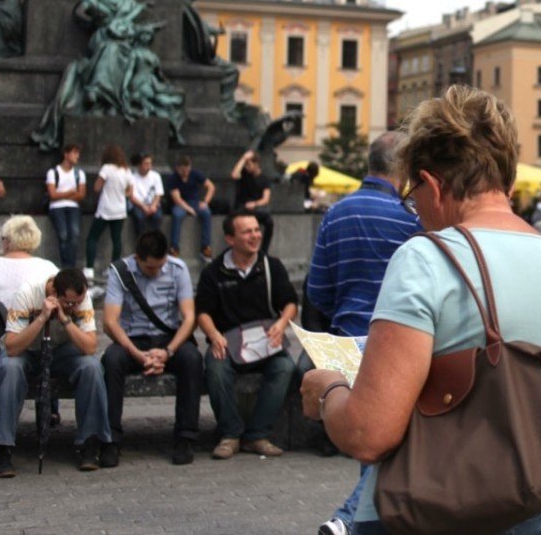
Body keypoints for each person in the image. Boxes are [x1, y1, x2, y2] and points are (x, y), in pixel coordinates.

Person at [301, 86, 541, 535]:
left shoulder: (425, 259)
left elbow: (369, 433)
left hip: (430, 513)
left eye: (412, 196)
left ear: (432, 184)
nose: (416, 211)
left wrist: (328, 392)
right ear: (507, 180)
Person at [305, 132, 420, 535]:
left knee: (376, 445)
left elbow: (316, 289)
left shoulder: (335, 213)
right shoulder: (411, 219)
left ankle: (360, 520)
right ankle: (349, 521)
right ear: (403, 170)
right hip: (394, 344)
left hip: (343, 341)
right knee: (382, 444)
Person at [0, 267, 110, 477]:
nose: (73, 306)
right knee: (9, 369)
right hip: (26, 351)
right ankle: (1, 446)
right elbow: (12, 347)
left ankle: (90, 442)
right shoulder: (26, 293)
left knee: (92, 367)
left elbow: (89, 347)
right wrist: (42, 318)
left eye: (77, 303)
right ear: (54, 294)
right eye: (68, 303)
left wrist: (65, 318)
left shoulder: (80, 298)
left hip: (61, 351)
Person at [195, 211, 298, 460]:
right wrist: (214, 335)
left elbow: (290, 303)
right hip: (228, 343)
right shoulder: (214, 272)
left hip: (265, 343)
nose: (255, 236)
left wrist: (282, 323)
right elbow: (203, 312)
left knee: (285, 367)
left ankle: (257, 435)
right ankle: (230, 434)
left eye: (256, 230)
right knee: (215, 367)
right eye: (247, 231)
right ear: (230, 239)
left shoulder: (271, 266)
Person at [100, 229, 202, 467]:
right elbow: (110, 322)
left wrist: (168, 352)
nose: (155, 272)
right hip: (132, 339)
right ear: (137, 258)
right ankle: (110, 439)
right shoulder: (120, 271)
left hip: (168, 338)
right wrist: (137, 354)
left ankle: (185, 438)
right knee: (111, 361)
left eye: (159, 266)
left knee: (193, 359)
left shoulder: (178, 269)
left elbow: (189, 318)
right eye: (149, 268)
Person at [85, 145, 136, 283]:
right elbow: (130, 192)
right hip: (120, 210)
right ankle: (113, 269)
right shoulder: (126, 171)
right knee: (116, 239)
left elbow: (97, 187)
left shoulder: (106, 168)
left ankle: (89, 269)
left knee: (92, 238)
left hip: (105, 209)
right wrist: (121, 194)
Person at [164, 156, 215, 259]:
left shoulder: (195, 174)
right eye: (183, 170)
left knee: (206, 213)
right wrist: (189, 209)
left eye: (188, 170)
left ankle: (205, 247)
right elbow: (177, 199)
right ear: (178, 168)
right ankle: (174, 247)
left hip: (195, 202)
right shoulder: (173, 178)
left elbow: (210, 186)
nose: (186, 173)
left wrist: (205, 201)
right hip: (180, 204)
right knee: (177, 215)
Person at [44, 145, 87, 268]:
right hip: (56, 207)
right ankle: (65, 266)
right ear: (66, 154)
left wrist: (61, 194)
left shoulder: (79, 173)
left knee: (74, 234)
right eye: (74, 153)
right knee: (63, 235)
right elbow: (52, 194)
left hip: (73, 207)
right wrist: (70, 192)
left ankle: (71, 266)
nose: (77, 156)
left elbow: (81, 195)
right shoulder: (53, 172)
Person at [231, 150, 274, 253]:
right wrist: (244, 158)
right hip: (241, 207)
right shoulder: (244, 174)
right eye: (245, 164)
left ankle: (264, 251)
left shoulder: (264, 179)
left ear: (256, 164)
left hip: (254, 209)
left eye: (249, 164)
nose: (246, 167)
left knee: (269, 222)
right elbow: (234, 175)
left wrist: (255, 204)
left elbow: (265, 199)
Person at [130, 153, 165, 238]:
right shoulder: (132, 177)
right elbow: (132, 196)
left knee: (158, 216)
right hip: (139, 205)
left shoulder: (156, 176)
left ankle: (155, 240)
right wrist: (143, 207)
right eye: (146, 164)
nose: (149, 166)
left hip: (153, 204)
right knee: (139, 217)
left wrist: (153, 205)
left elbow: (158, 193)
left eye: (150, 164)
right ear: (139, 165)